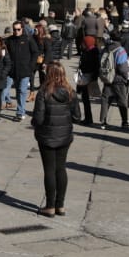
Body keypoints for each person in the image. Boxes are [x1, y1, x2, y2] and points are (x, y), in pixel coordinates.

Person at [31, 63, 76, 216]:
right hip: (64, 135)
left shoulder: (43, 92)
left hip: (47, 135)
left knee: (49, 170)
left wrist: (35, 125)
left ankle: (50, 206)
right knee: (61, 168)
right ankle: (60, 205)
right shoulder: (70, 92)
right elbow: (78, 116)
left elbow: (38, 117)